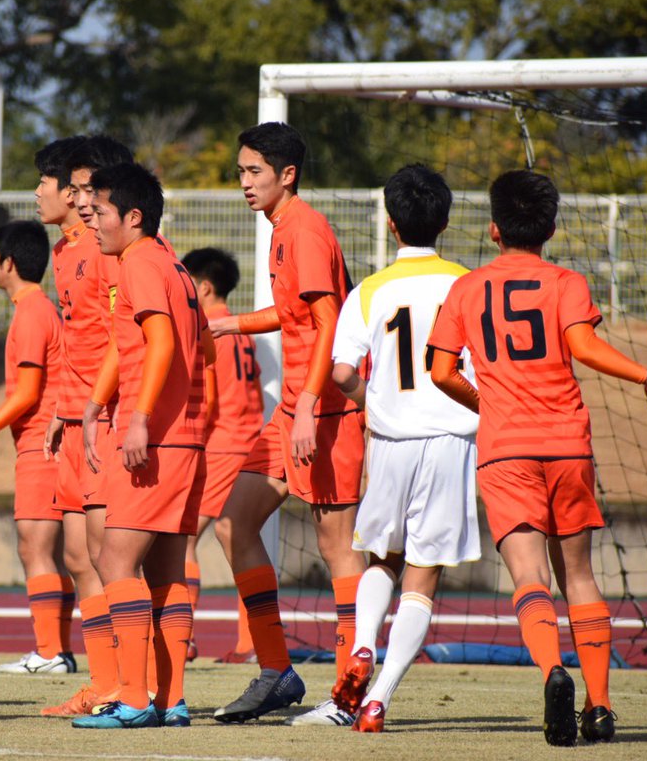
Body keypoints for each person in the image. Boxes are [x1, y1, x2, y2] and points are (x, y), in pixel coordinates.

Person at [427, 169, 647, 746]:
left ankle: (550, 670)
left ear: (492, 229)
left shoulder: (466, 288)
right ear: (552, 228)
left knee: (530, 575)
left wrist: (485, 400)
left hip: (505, 449)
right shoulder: (566, 282)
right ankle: (602, 706)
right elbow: (584, 346)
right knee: (580, 576)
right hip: (567, 444)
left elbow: (439, 371)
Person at [209, 122, 366, 725]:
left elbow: (331, 321)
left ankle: (350, 694)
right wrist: (232, 324)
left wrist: (305, 403)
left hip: (323, 411)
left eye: (253, 171)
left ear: (287, 175)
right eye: (241, 171)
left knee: (337, 548)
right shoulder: (281, 229)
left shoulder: (304, 229)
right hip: (293, 412)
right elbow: (295, 312)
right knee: (232, 522)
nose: (243, 182)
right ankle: (276, 670)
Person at [328, 164, 479, 732]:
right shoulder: (466, 284)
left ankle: (361, 646)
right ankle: (379, 699)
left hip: (388, 441)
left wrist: (375, 399)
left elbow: (342, 373)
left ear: (391, 223)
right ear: (445, 220)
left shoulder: (369, 290)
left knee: (380, 558)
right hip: (448, 439)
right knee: (424, 573)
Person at [72, 162, 211, 729]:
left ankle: (133, 700)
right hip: (186, 436)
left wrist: (140, 419)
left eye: (100, 211)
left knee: (114, 559)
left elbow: (160, 345)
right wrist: (95, 404)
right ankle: (169, 700)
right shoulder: (171, 265)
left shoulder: (141, 264)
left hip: (156, 437)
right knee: (168, 571)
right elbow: (150, 344)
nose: (92, 221)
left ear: (133, 216)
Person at [39, 136, 134, 716]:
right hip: (74, 419)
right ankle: (104, 683)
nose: (73, 197)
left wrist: (100, 408)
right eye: (69, 186)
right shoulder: (63, 249)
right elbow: (79, 335)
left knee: (107, 555)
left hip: (106, 420)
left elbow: (122, 337)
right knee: (78, 556)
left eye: (81, 187)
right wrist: (60, 406)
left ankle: (128, 683)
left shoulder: (110, 250)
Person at [0, 220, 72, 673]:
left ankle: (49, 652)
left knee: (35, 547)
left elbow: (26, 393)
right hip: (50, 442)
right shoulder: (41, 309)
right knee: (57, 552)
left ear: (7, 262)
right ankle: (56, 651)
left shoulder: (31, 312)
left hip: (41, 445)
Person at [179, 248, 263, 663]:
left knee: (184, 538)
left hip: (222, 445)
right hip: (251, 442)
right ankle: (251, 643)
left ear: (204, 287)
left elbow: (208, 398)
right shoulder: (243, 331)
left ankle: (184, 637)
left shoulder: (209, 327)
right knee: (242, 543)